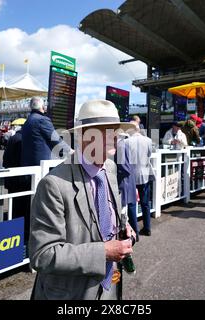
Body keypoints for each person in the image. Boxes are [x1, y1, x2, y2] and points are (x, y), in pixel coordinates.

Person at [29, 100, 137, 300]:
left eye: (116, 131)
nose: (114, 138)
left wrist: (123, 226)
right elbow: (43, 254)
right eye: (105, 132)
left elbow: (105, 212)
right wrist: (104, 252)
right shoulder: (53, 184)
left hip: (108, 288)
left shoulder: (110, 169)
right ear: (83, 137)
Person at [21, 96, 71, 167]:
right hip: (41, 165)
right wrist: (70, 151)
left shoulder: (27, 121)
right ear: (42, 106)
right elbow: (55, 139)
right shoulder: (42, 120)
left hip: (27, 163)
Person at [2, 126, 32, 241]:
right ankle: (18, 235)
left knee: (14, 206)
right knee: (20, 208)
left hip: (11, 178)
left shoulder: (13, 138)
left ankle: (13, 231)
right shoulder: (23, 140)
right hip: (19, 180)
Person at [127, 121, 154, 237]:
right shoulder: (148, 140)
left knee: (132, 204)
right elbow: (150, 154)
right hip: (145, 174)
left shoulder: (125, 142)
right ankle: (147, 228)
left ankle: (135, 232)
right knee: (145, 203)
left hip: (131, 175)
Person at [115, 132, 138, 240]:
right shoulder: (124, 144)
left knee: (122, 213)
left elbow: (124, 167)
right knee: (125, 212)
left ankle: (127, 239)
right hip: (128, 181)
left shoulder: (120, 145)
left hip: (123, 182)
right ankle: (134, 235)